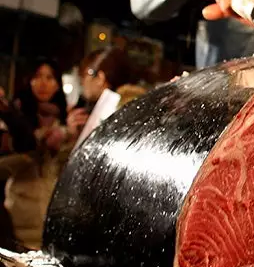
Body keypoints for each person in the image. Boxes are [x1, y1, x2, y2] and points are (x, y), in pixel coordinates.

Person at [0, 59, 83, 250]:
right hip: (20, 213)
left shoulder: (66, 118)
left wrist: (69, 136)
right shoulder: (15, 119)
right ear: (29, 80)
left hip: (54, 213)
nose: (43, 83)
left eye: (49, 77)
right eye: (37, 77)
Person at [79, 46, 147, 112]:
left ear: (100, 78)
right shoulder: (135, 107)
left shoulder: (111, 113)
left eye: (83, 75)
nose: (81, 82)